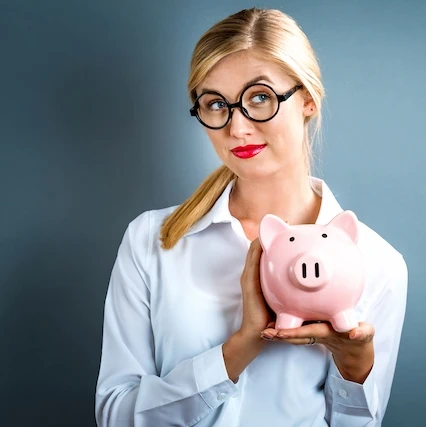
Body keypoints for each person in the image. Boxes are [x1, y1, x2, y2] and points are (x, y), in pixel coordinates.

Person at [95, 7, 408, 427]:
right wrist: (238, 349)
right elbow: (116, 416)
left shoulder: (377, 263)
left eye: (259, 97)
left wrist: (355, 371)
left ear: (308, 99)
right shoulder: (152, 241)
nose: (237, 127)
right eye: (214, 104)